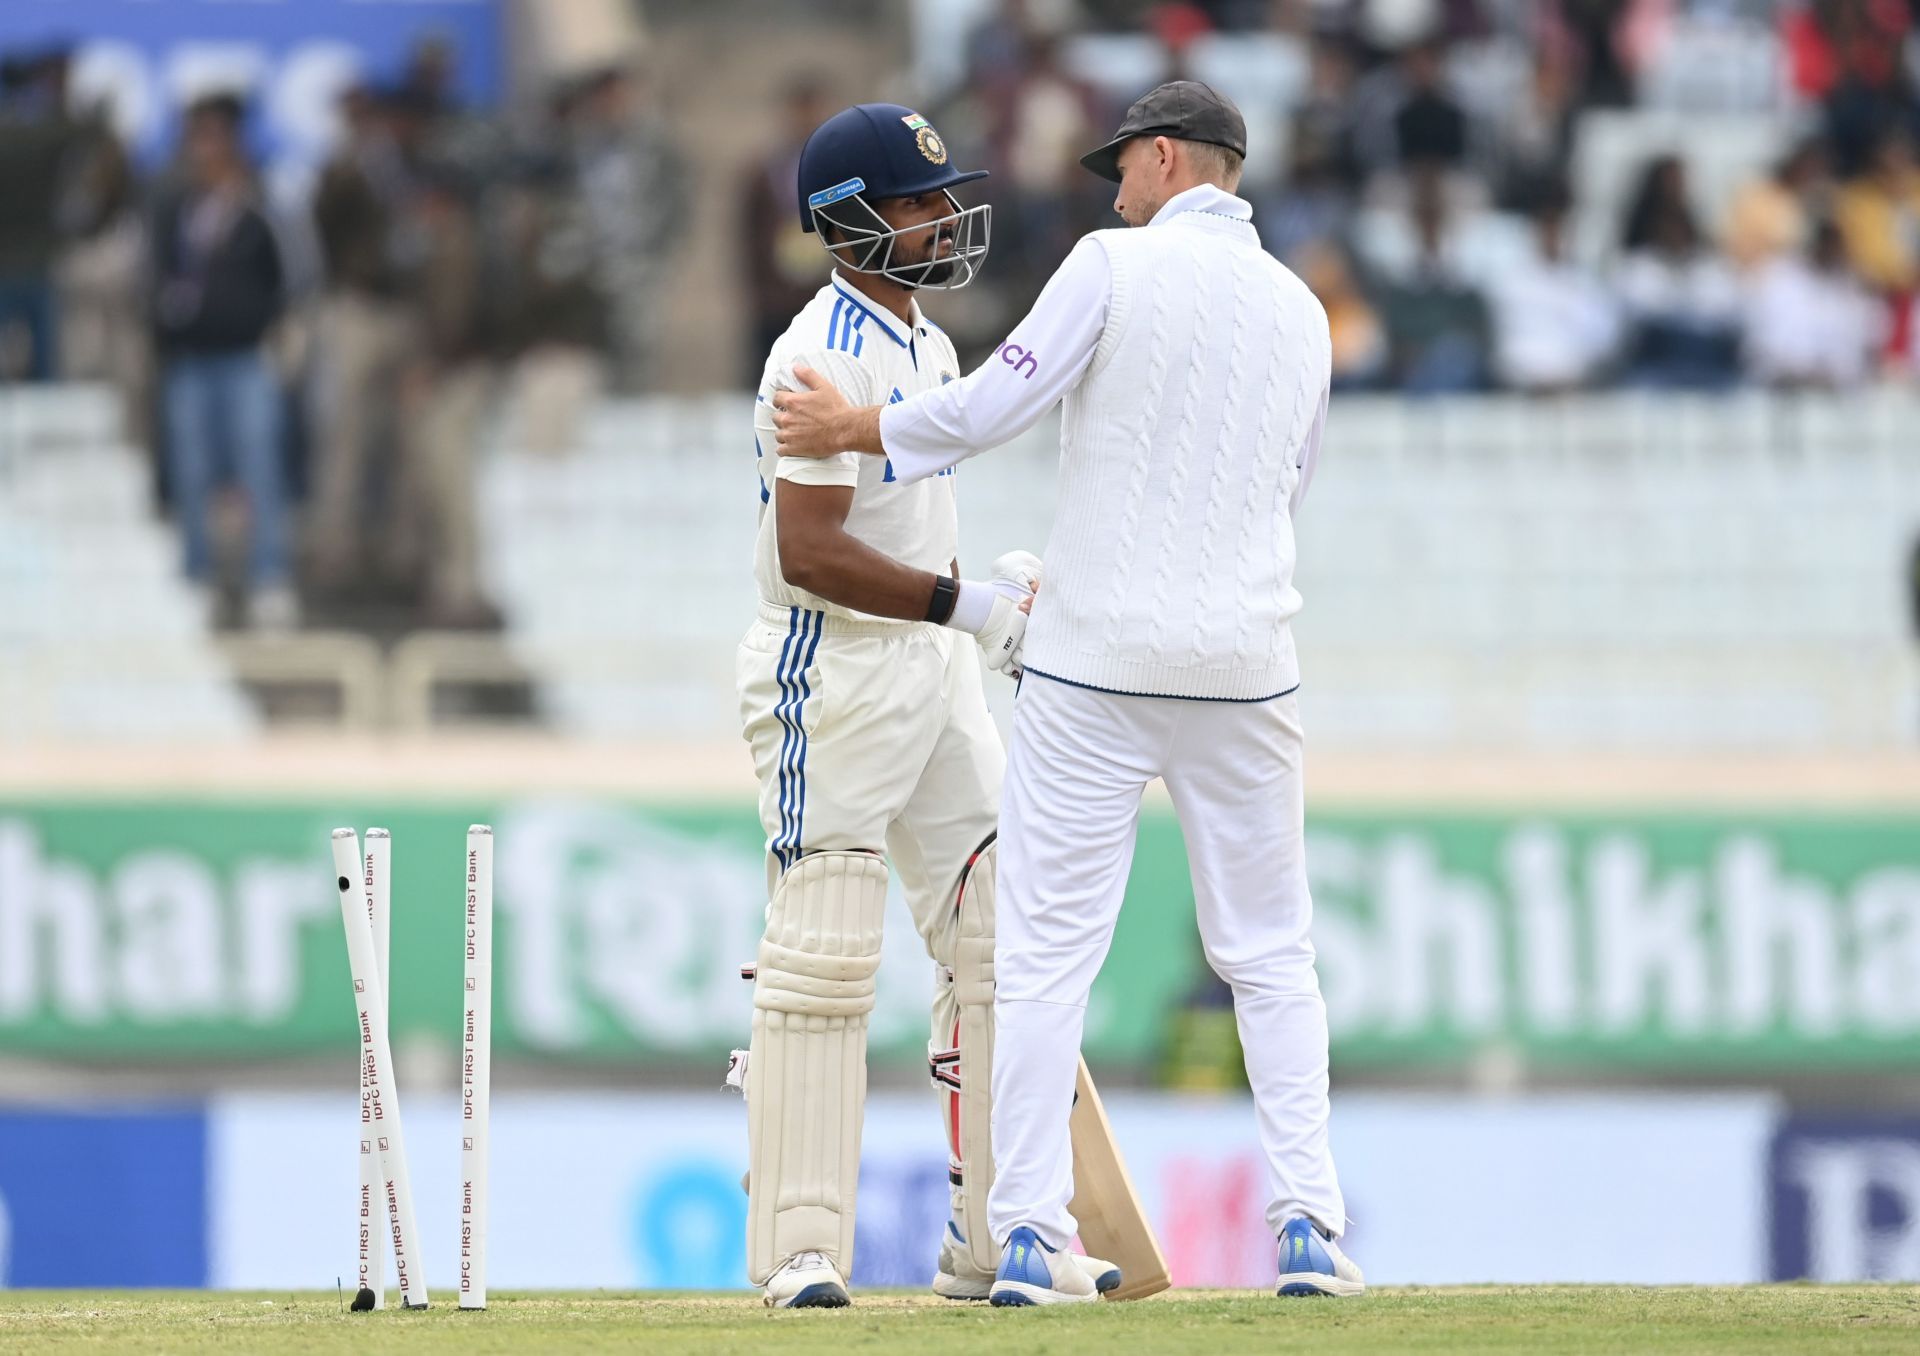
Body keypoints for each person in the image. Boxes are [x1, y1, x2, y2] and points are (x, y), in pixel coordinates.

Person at [772, 81, 1363, 1305]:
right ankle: (1309, 1226)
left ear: (1161, 159)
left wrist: (858, 424)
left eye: (1122, 168)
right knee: (1270, 953)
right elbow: (1287, 487)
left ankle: (1030, 1236)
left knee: (1044, 957)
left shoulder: (1111, 263)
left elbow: (994, 407)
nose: (1113, 190)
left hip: (1096, 662)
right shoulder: (1306, 308)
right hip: (1250, 662)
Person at [734, 101, 1116, 1309]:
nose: (943, 220)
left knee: (1000, 939)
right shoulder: (813, 355)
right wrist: (966, 607)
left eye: (942, 198)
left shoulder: (932, 346)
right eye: (916, 204)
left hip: (932, 671)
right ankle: (800, 1252)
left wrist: (982, 587)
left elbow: (914, 517)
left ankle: (998, 1234)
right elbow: (811, 553)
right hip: (831, 671)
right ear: (848, 223)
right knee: (825, 956)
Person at [149, 93, 295, 629]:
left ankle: (268, 576)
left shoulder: (261, 204)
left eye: (215, 138)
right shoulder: (174, 205)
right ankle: (198, 575)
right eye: (197, 139)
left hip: (246, 356)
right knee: (191, 471)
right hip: (190, 357)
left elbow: (292, 273)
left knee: (259, 469)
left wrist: (279, 333)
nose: (205, 151)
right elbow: (157, 277)